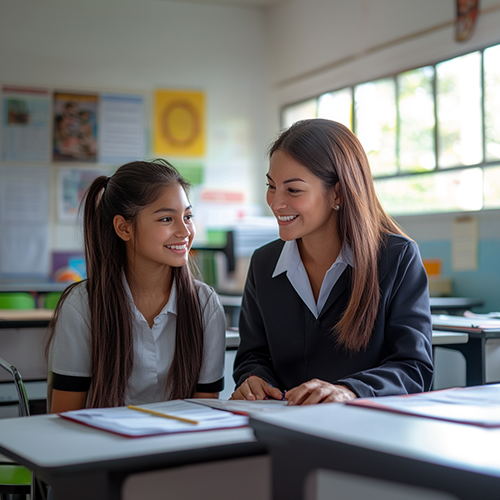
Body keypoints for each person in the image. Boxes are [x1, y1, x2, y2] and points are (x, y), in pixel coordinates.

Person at [231, 119, 433, 405]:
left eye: (293, 190)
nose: (275, 203)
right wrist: (254, 379)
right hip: (285, 426)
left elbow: (414, 368)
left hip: (366, 428)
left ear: (337, 192)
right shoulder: (264, 262)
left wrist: (350, 391)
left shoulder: (397, 257)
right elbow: (253, 356)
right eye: (271, 186)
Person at [46, 159, 226, 412]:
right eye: (166, 219)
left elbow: (204, 410)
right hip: (99, 447)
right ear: (123, 228)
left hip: (180, 446)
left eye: (187, 216)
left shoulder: (204, 303)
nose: (185, 231)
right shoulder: (83, 304)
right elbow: (63, 416)